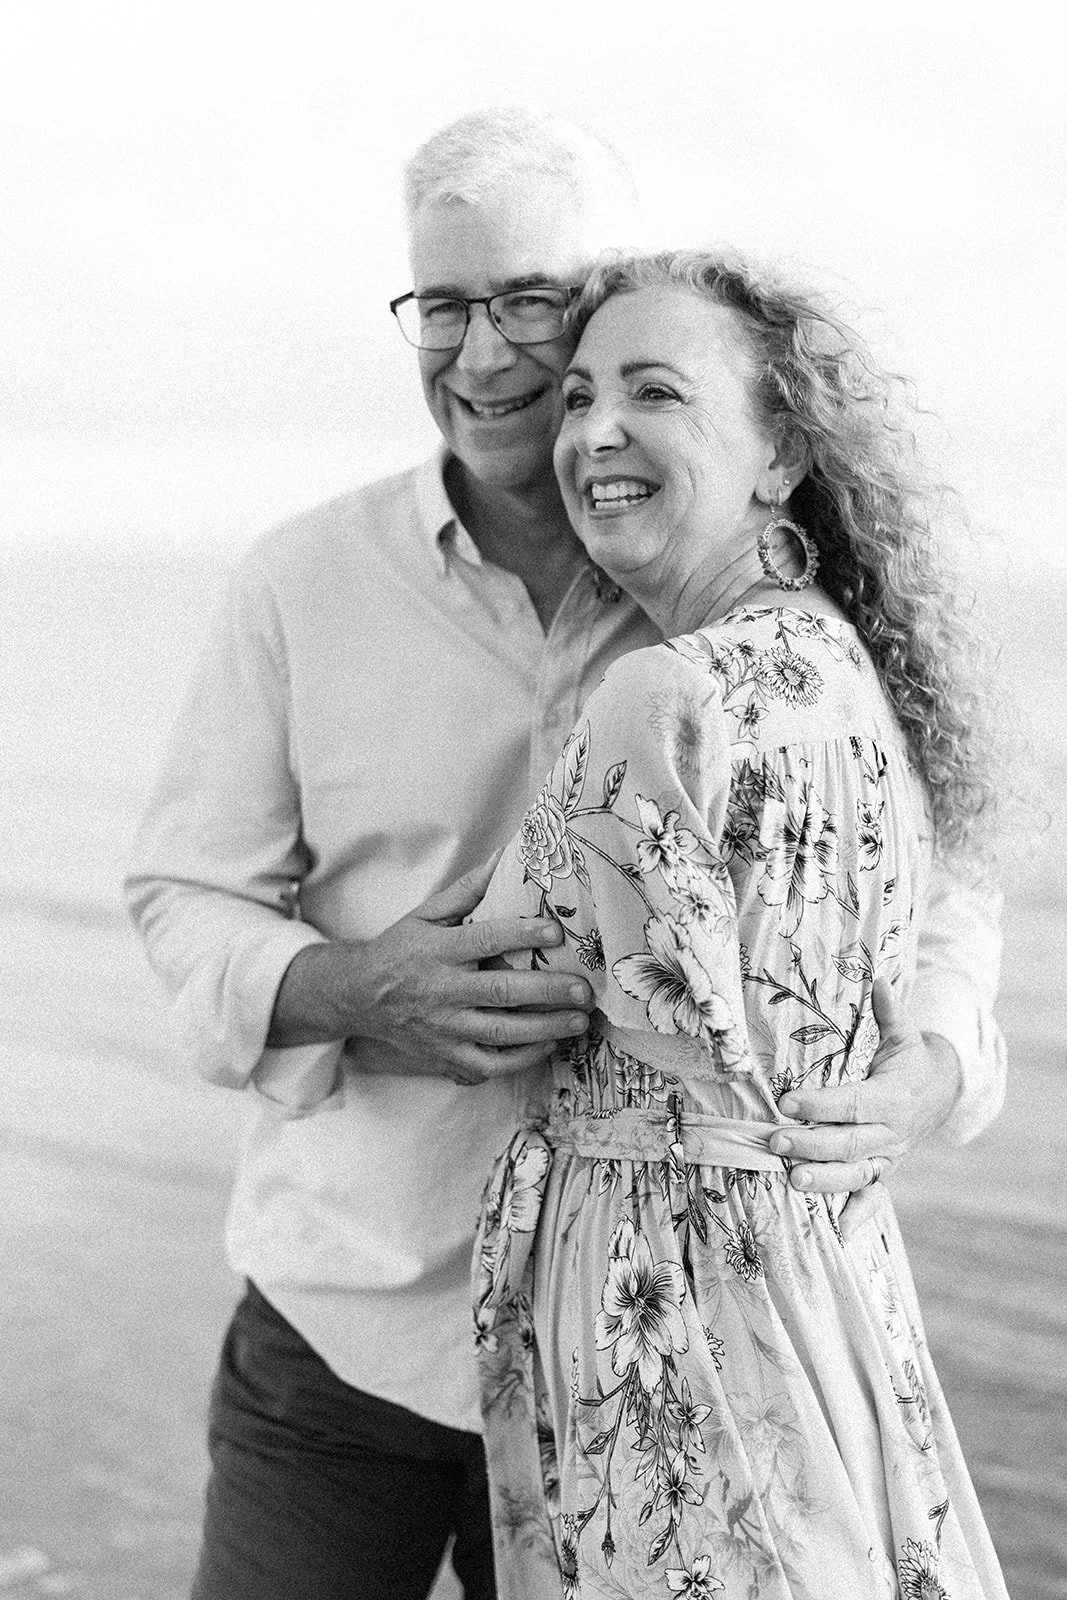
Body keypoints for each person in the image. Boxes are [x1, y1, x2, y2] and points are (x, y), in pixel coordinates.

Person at [124, 111, 1005, 1600]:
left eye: (530, 300)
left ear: (610, 293)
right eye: (443, 303)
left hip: (648, 1347)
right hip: (355, 1326)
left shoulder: (717, 616)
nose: (481, 355)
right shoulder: (301, 580)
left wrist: (931, 1061)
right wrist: (350, 986)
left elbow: (929, 878)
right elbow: (182, 893)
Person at [471, 250, 1010, 1599]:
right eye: (579, 393)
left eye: (654, 392)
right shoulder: (849, 676)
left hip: (679, 1305)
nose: (592, 431)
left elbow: (500, 988)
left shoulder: (657, 699)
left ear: (779, 455)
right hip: (825, 1278)